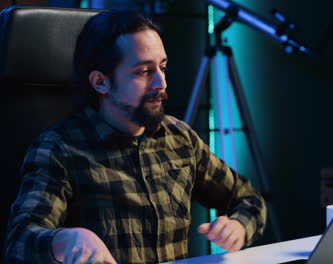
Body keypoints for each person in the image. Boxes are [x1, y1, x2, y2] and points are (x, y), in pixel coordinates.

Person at [4, 9, 266, 264]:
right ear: (100, 82)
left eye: (162, 67)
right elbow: (19, 241)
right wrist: (63, 240)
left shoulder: (179, 137)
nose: (160, 83)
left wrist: (239, 226)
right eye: (143, 71)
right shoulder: (59, 149)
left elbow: (249, 199)